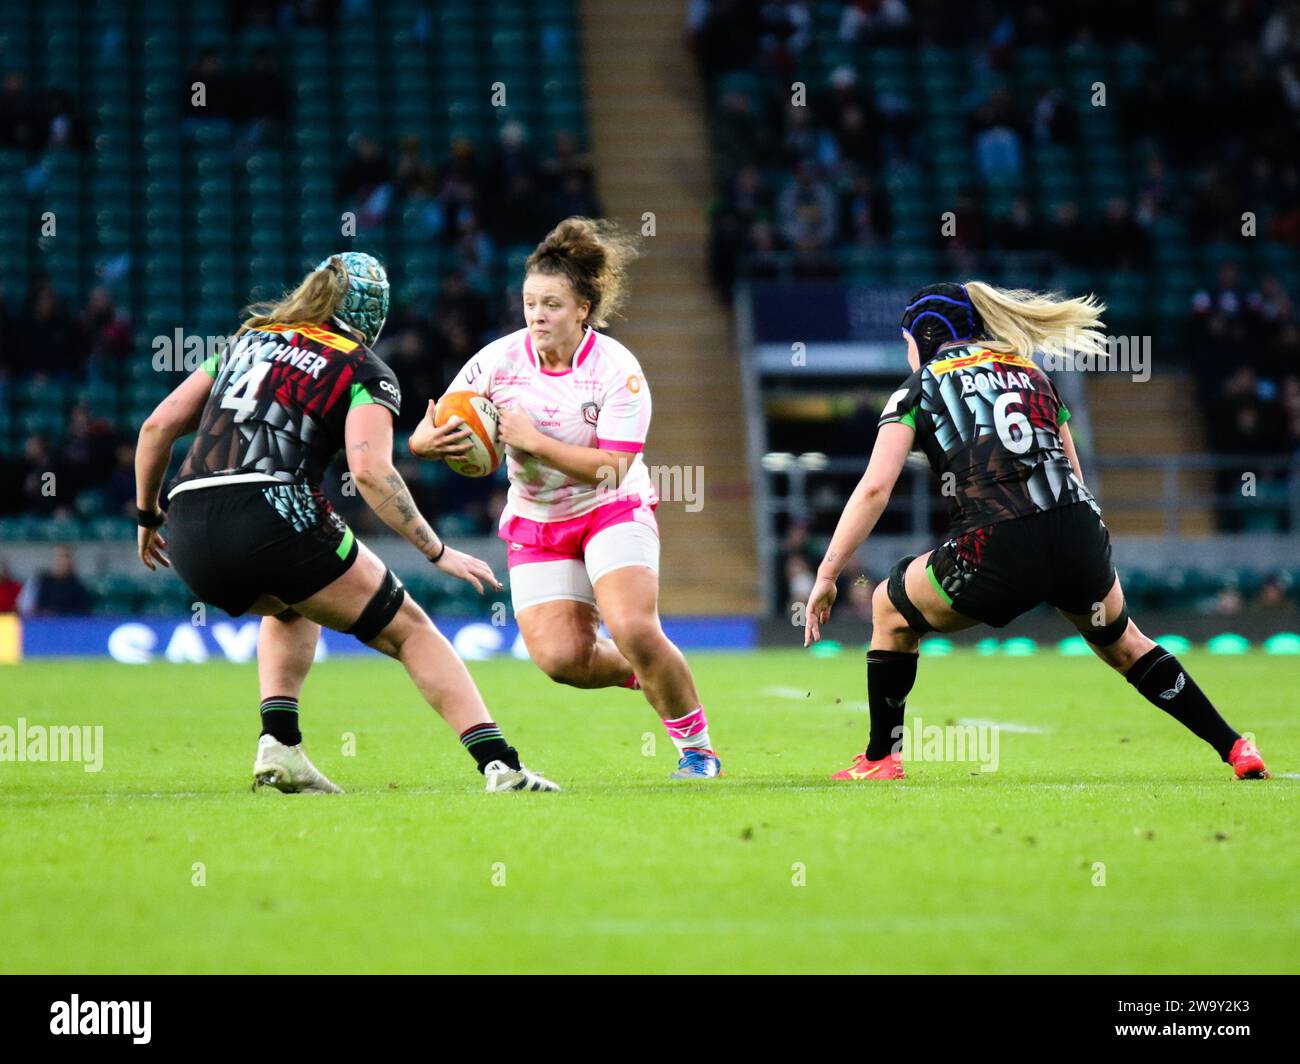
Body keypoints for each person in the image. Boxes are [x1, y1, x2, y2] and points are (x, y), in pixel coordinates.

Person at [803, 282, 1270, 782]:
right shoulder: (1032, 373)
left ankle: (880, 758)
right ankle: (1236, 746)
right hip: (1077, 531)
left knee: (889, 608)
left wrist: (828, 574)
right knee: (1127, 645)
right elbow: (1073, 472)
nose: (907, 353)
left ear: (925, 335)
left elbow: (875, 489)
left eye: (906, 342)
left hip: (996, 546)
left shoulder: (919, 388)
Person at [134, 252, 559, 794]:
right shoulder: (364, 369)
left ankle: (280, 746)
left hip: (189, 523)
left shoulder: (245, 344)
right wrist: (437, 551)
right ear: (372, 313)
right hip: (275, 512)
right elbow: (371, 472)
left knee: (291, 603)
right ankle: (502, 767)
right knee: (409, 629)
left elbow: (156, 428)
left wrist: (148, 516)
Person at [409, 218, 723, 778]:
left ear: (583, 308)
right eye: (530, 303)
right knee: (560, 660)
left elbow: (614, 468)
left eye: (551, 304)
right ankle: (650, 673)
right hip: (538, 518)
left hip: (611, 507)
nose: (536, 315)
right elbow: (429, 428)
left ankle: (697, 750)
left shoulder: (618, 370)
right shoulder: (497, 361)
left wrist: (535, 442)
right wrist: (427, 442)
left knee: (632, 625)